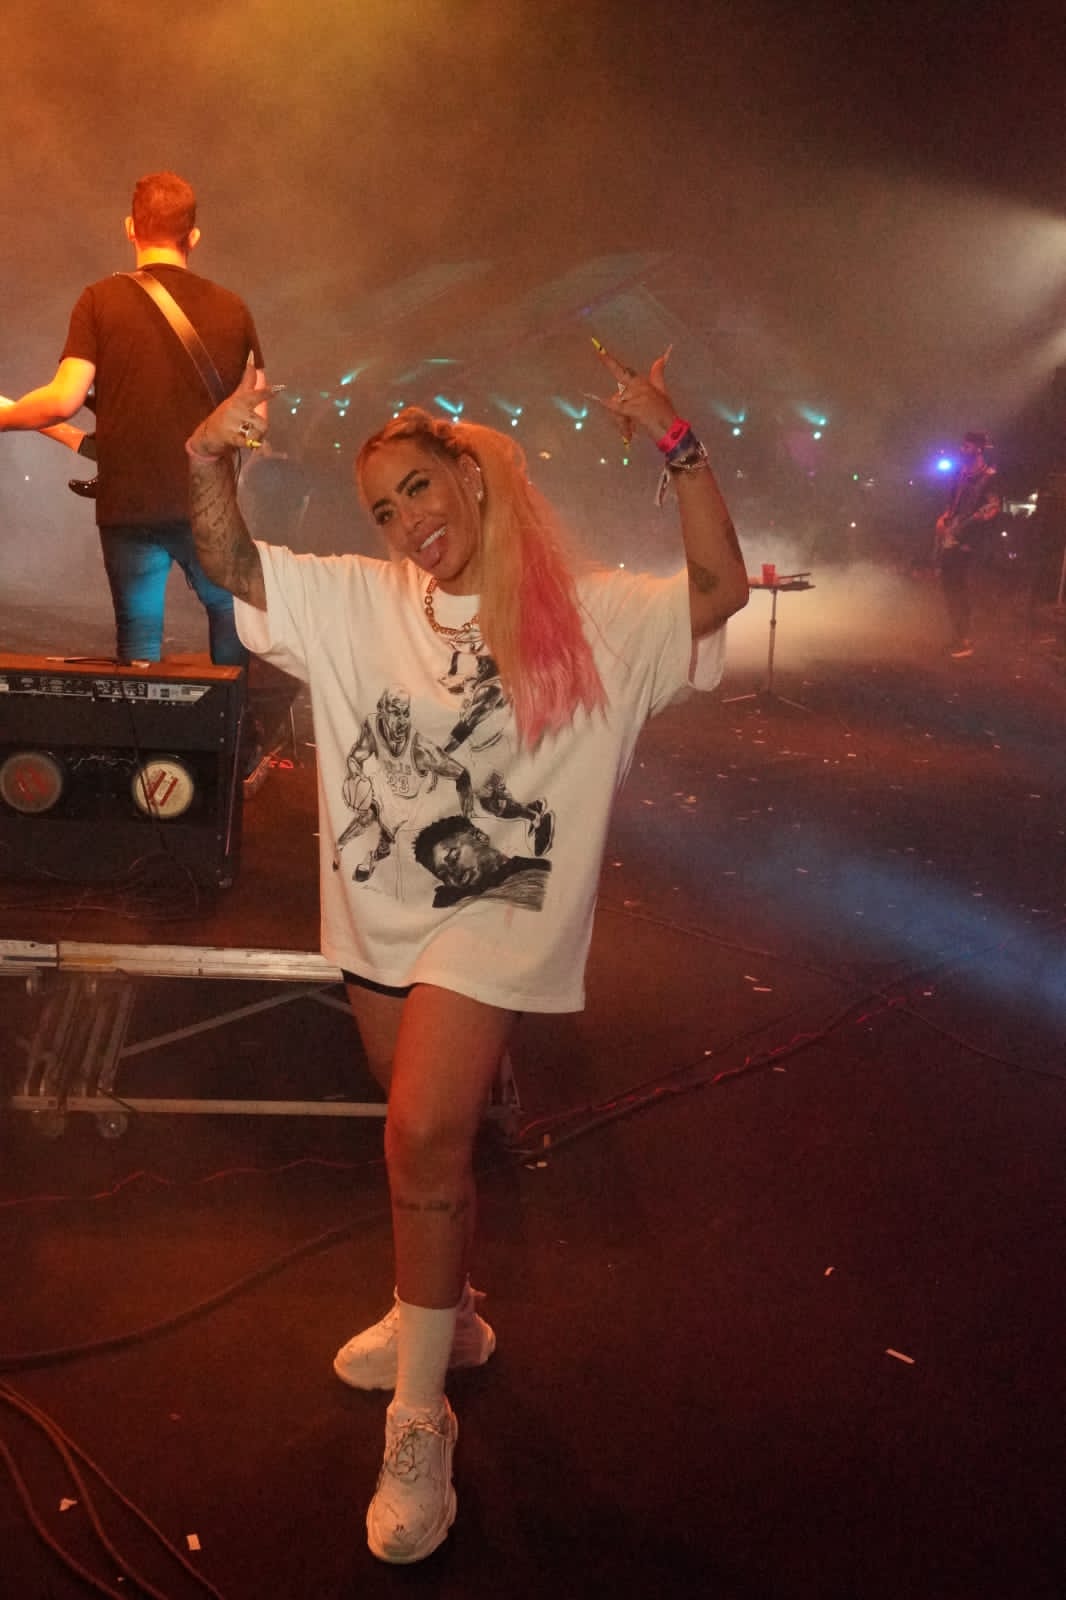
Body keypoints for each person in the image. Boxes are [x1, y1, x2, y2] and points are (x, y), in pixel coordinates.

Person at [183, 341, 750, 1565]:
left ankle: (419, 1414)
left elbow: (717, 590)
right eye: (383, 510)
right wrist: (205, 459)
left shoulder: (584, 611)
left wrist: (677, 440)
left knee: (422, 1134)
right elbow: (228, 564)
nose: (404, 523)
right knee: (418, 1135)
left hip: (496, 913)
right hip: (378, 914)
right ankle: (443, 1309)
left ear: (473, 475)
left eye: (418, 490)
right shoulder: (359, 598)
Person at [0, 171, 264, 668]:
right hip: (207, 506)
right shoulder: (234, 309)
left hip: (128, 508)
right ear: (194, 237)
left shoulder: (99, 300)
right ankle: (233, 716)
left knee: (139, 648)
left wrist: (7, 417)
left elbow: (62, 400)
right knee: (232, 630)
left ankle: (144, 716)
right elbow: (255, 422)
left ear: (130, 228)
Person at [934, 429, 1001, 659]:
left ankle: (964, 639)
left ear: (979, 449)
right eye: (962, 446)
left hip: (970, 539)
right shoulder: (961, 474)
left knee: (958, 586)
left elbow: (993, 507)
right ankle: (958, 635)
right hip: (953, 535)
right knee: (949, 586)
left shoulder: (989, 477)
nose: (962, 450)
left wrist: (982, 517)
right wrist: (944, 519)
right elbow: (953, 504)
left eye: (967, 446)